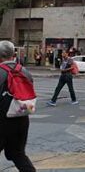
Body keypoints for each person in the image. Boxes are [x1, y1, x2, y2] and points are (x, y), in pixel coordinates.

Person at [0, 41, 36, 172]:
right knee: (18, 154)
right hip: (22, 117)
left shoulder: (1, 72)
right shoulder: (24, 71)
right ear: (13, 54)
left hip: (3, 120)